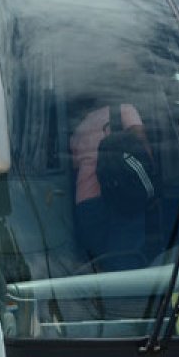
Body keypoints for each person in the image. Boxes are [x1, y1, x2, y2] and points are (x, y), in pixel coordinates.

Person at [70, 101, 153, 270]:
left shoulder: (80, 127)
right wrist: (150, 177)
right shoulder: (125, 110)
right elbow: (141, 142)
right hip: (123, 196)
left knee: (98, 263)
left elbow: (75, 166)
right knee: (126, 260)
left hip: (86, 202)